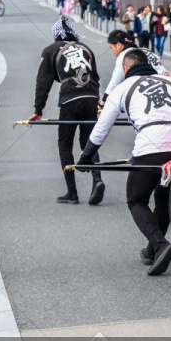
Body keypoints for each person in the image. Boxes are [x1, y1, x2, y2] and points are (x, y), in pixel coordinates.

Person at [77, 49, 171, 275]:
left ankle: (160, 245)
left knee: (136, 199)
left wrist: (85, 158)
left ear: (125, 69)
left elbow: (102, 128)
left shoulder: (122, 88)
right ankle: (153, 251)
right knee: (163, 199)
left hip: (150, 146)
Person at [28, 15, 105, 205]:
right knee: (89, 141)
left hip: (70, 98)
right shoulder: (86, 49)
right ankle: (97, 179)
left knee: (65, 144)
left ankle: (72, 193)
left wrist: (38, 109)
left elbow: (43, 82)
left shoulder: (50, 50)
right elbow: (95, 76)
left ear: (56, 35)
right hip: (91, 97)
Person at [103, 29, 168, 102]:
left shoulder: (126, 56)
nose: (113, 52)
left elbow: (115, 81)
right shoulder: (147, 51)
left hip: (149, 91)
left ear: (118, 45)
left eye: (112, 48)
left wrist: (104, 100)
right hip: (166, 87)